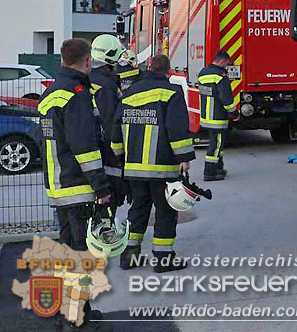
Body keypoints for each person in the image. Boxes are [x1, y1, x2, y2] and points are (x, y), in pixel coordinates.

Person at [38, 38, 112, 327]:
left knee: (68, 251)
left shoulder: (50, 94)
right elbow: (84, 146)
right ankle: (77, 315)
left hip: (57, 187)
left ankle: (69, 309)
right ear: (87, 61)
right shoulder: (77, 94)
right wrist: (101, 187)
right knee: (82, 253)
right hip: (79, 187)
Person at [114, 54, 195, 272]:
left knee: (138, 210)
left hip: (133, 170)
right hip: (162, 168)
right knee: (166, 212)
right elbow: (177, 128)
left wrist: (121, 158)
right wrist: (185, 158)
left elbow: (116, 131)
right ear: (168, 72)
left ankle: (129, 256)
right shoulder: (172, 93)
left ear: (148, 67)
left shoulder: (128, 94)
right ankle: (163, 259)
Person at [89, 34, 126, 213]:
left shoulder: (84, 78)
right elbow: (112, 121)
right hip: (107, 152)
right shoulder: (107, 85)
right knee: (108, 206)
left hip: (87, 149)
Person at [198, 50, 237, 181]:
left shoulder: (203, 73)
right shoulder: (221, 76)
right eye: (226, 63)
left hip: (206, 116)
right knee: (216, 145)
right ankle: (209, 172)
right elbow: (225, 98)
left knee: (217, 144)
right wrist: (234, 113)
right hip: (218, 117)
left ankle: (219, 168)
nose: (226, 66)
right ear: (221, 61)